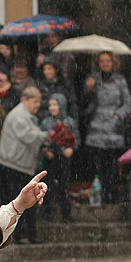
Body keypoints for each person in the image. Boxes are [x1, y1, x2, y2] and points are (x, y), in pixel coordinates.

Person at [0, 86, 47, 243]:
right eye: (35, 101)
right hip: (14, 166)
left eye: (39, 102)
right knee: (18, 204)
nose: (38, 105)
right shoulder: (19, 116)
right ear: (25, 100)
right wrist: (48, 135)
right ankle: (19, 236)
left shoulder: (25, 115)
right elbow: (29, 136)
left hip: (19, 165)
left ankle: (24, 236)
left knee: (21, 204)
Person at [83, 52, 131, 203]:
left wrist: (118, 115)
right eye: (102, 61)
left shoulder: (120, 80)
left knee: (112, 164)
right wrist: (88, 89)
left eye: (108, 61)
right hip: (96, 129)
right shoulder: (92, 79)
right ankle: (101, 194)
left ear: (113, 62)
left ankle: (111, 193)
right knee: (98, 164)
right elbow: (84, 103)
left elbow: (128, 103)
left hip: (113, 128)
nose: (105, 64)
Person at [39, 93, 79, 223]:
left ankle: (66, 214)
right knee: (47, 186)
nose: (52, 107)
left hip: (65, 159)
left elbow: (76, 138)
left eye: (55, 104)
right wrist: (46, 151)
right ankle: (47, 214)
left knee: (64, 186)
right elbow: (42, 139)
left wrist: (71, 149)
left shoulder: (70, 122)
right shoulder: (46, 122)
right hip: (51, 159)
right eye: (50, 105)